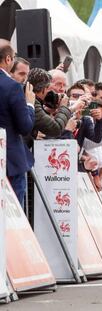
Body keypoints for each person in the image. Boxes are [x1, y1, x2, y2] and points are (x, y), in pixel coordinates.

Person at [0, 39, 35, 208]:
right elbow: (25, 127)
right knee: (13, 219)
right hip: (10, 162)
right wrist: (29, 105)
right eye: (13, 57)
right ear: (8, 59)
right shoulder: (12, 87)